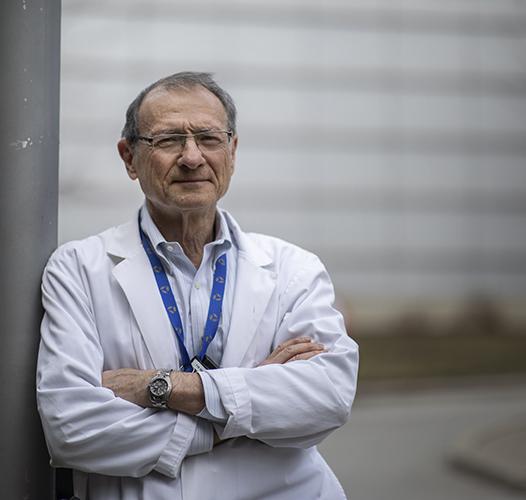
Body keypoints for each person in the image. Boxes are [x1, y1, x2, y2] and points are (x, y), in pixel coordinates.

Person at [36, 71, 359, 499]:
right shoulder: (78, 268)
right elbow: (72, 429)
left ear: (233, 150)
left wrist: (165, 387)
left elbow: (326, 398)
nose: (192, 157)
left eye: (208, 138)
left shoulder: (293, 268)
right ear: (129, 158)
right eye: (168, 140)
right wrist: (241, 410)